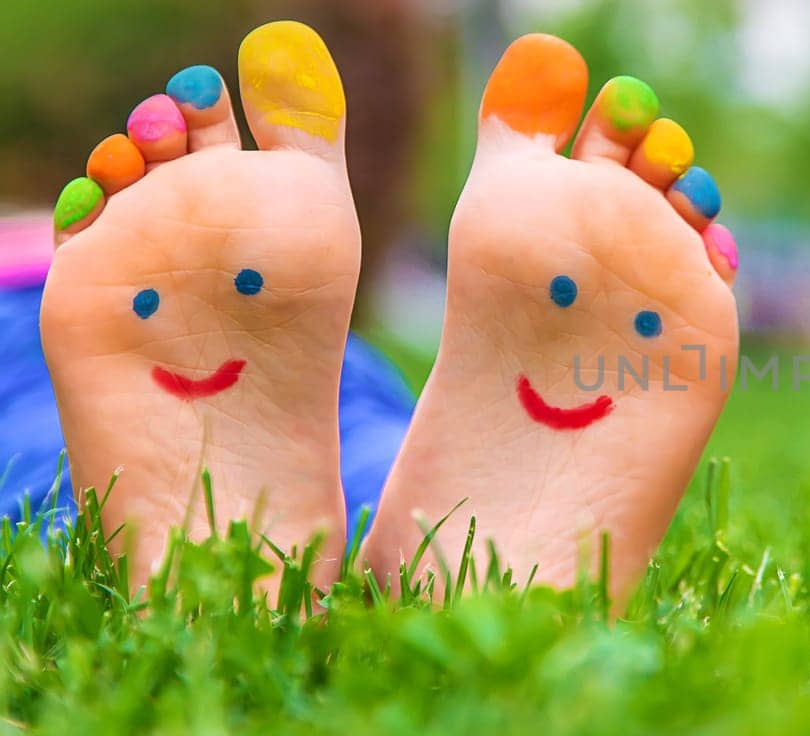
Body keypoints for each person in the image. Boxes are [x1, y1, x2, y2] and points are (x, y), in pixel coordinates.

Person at [6, 21, 742, 601]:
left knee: (43, 431)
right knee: (369, 437)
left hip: (101, 328)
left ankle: (196, 564)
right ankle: (447, 547)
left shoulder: (110, 251)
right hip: (317, 357)